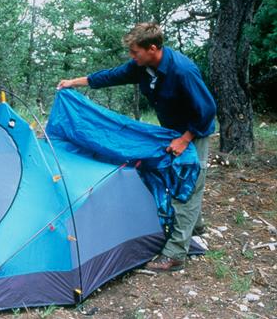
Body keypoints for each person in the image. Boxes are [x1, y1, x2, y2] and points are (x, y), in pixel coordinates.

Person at [57, 22, 216, 272]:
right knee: (179, 182)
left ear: (152, 48)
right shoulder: (142, 68)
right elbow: (110, 76)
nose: (132, 57)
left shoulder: (182, 71)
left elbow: (207, 111)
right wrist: (72, 83)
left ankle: (175, 255)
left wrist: (185, 139)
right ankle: (194, 228)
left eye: (135, 52)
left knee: (187, 187)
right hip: (168, 132)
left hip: (193, 132)